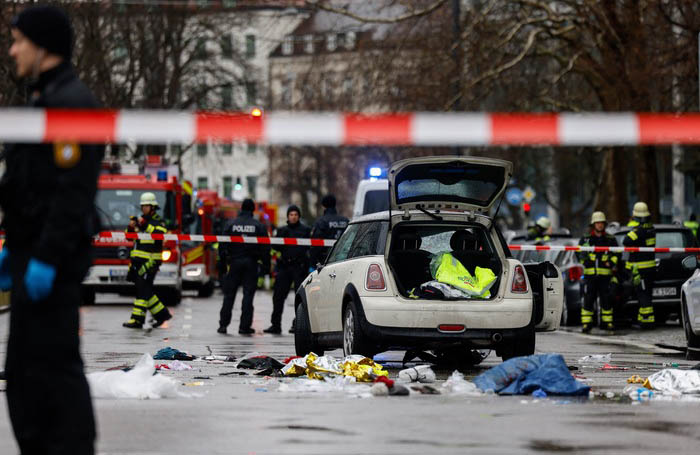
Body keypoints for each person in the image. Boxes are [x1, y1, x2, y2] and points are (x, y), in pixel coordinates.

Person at [0, 6, 101, 453]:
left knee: (53, 375)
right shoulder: (44, 98)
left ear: (42, 46)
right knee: (24, 377)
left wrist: (44, 256)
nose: (12, 50)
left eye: (18, 40)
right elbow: (26, 185)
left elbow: (71, 193)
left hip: (50, 266)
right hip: (31, 256)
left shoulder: (70, 102)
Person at [218, 198, 270, 335]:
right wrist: (266, 266)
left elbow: (222, 245)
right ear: (253, 209)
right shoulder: (258, 226)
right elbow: (265, 248)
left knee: (229, 295)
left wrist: (222, 264)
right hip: (251, 264)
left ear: (241, 209)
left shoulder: (231, 224)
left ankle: (223, 325)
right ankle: (244, 327)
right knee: (248, 296)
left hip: (234, 263)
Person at [122, 192, 173, 329]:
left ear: (153, 207)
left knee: (142, 290)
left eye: (146, 206)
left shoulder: (158, 221)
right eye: (142, 206)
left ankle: (137, 320)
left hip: (150, 262)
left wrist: (144, 224)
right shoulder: (141, 220)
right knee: (145, 290)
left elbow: (159, 234)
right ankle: (162, 315)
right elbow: (129, 237)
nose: (144, 208)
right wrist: (132, 226)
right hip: (137, 261)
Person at [264, 205, 311, 334]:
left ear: (299, 216)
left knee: (300, 298)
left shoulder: (306, 230)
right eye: (291, 214)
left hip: (299, 267)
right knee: (278, 297)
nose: (293, 217)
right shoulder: (282, 230)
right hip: (285, 266)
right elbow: (275, 246)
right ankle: (275, 325)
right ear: (288, 216)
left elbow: (311, 247)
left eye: (296, 214)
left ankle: (298, 324)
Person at [577, 211, 619, 333]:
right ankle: (586, 324)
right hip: (590, 276)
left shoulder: (610, 239)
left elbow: (617, 253)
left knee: (606, 299)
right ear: (593, 224)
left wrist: (610, 263)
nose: (600, 225)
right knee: (588, 299)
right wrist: (585, 260)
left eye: (601, 223)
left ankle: (608, 323)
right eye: (597, 223)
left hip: (605, 276)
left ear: (604, 224)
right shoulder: (586, 239)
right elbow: (578, 253)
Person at [623, 202, 657, 329]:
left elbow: (626, 241)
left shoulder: (639, 231)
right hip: (650, 268)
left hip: (642, 269)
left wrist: (632, 228)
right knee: (646, 294)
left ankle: (647, 321)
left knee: (643, 295)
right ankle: (643, 319)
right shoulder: (651, 229)